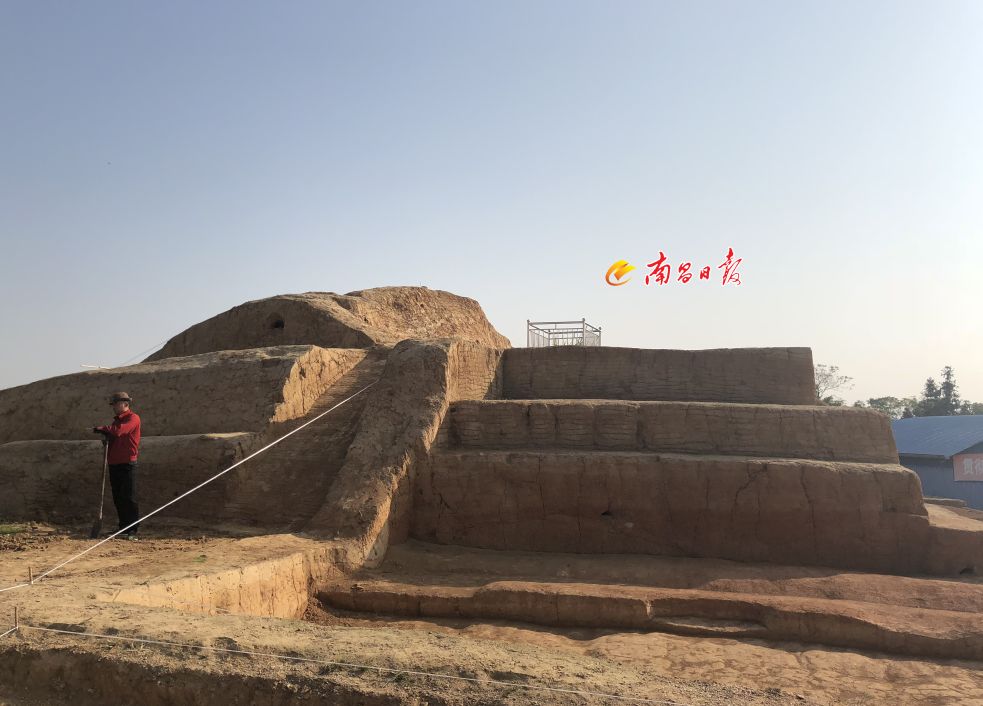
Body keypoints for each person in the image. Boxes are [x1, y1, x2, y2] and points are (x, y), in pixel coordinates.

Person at [92, 392, 142, 540]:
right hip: (114, 463)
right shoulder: (116, 422)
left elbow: (120, 431)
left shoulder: (133, 418)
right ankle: (123, 527)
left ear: (124, 403)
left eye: (115, 404)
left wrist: (103, 429)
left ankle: (132, 529)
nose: (113, 407)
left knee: (129, 497)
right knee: (118, 497)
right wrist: (107, 438)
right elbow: (115, 435)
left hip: (127, 462)